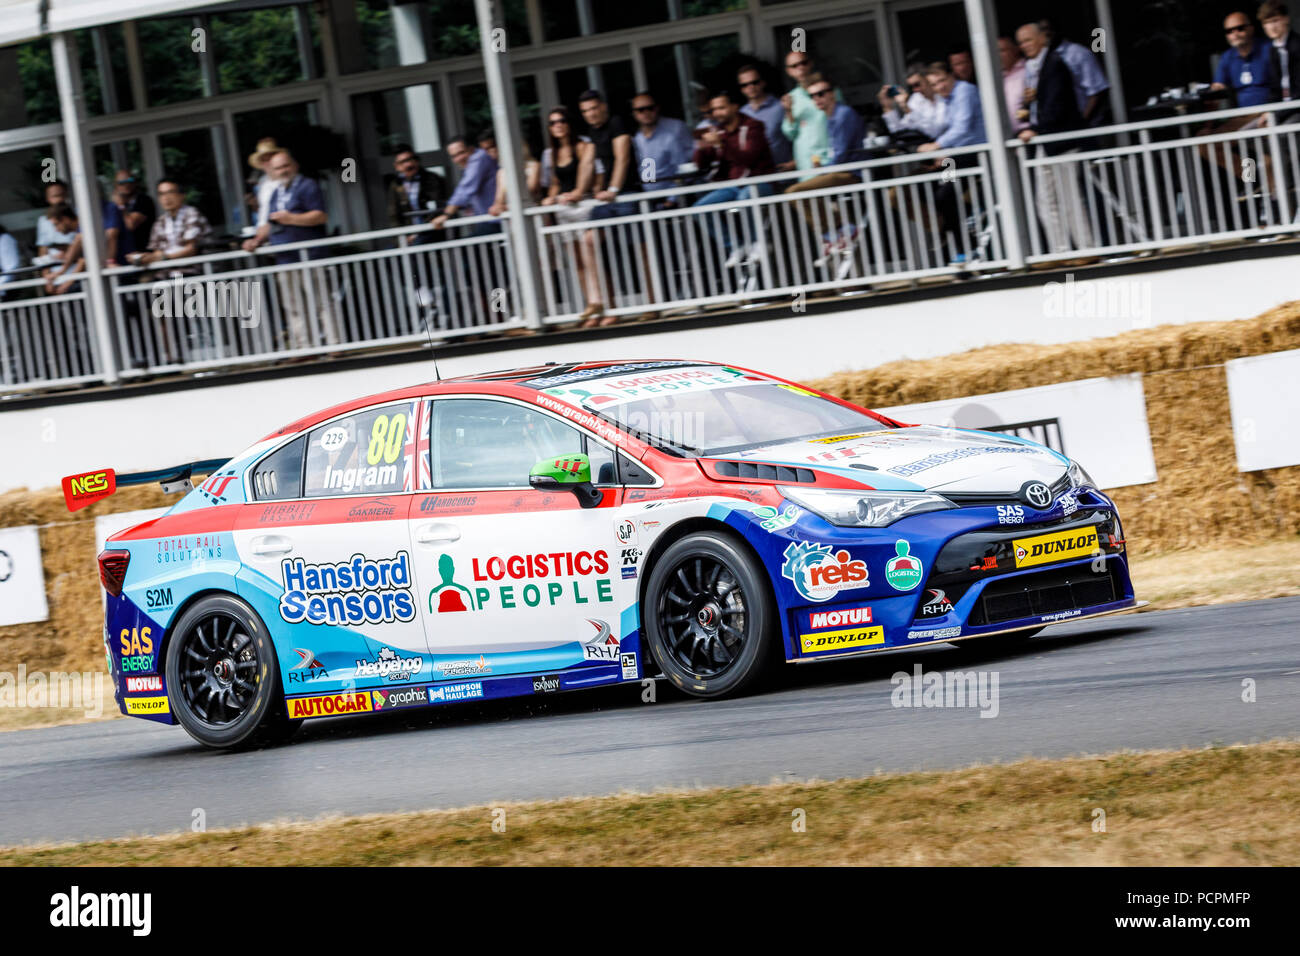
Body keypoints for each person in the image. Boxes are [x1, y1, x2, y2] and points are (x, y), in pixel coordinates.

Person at [241, 150, 338, 351]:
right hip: (285, 258)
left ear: (294, 165)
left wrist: (290, 219)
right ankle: (305, 347)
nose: (283, 171)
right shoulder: (277, 192)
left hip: (310, 256)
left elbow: (320, 216)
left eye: (286, 166)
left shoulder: (308, 186)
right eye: (278, 168)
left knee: (322, 303)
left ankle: (334, 345)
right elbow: (270, 223)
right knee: (293, 307)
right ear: (272, 172)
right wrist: (256, 240)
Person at [1015, 21, 1094, 255]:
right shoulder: (1035, 66)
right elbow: (1044, 104)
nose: (1024, 46)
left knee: (1070, 198)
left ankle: (1085, 249)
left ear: (1042, 39)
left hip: (1061, 141)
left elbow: (1057, 106)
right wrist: (1029, 109)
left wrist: (1037, 128)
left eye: (1028, 40)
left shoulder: (1055, 64)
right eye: (1021, 42)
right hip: (1047, 141)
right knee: (1045, 200)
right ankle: (1060, 250)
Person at [783, 75, 867, 277]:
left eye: (821, 93)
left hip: (849, 173)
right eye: (813, 96)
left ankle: (838, 231)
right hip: (839, 171)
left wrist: (823, 170)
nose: (817, 99)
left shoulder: (843, 114)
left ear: (833, 94)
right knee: (803, 195)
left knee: (794, 192)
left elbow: (842, 154)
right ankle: (838, 232)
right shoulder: (831, 117)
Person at [577, 89, 642, 327]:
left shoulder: (617, 122)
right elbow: (593, 164)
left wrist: (613, 189)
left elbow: (622, 158)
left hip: (627, 193)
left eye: (594, 108)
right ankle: (602, 303)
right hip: (608, 197)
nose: (591, 114)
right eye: (585, 111)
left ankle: (652, 303)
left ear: (603, 106)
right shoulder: (593, 132)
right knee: (589, 239)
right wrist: (583, 190)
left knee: (640, 247)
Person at [692, 89, 775, 269]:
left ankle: (758, 242)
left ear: (735, 107)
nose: (716, 113)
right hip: (733, 185)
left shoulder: (753, 126)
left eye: (721, 108)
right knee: (699, 209)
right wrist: (701, 148)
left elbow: (749, 158)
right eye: (714, 110)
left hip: (759, 181)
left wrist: (722, 144)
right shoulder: (718, 130)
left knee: (745, 197)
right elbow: (700, 165)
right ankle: (736, 246)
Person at [917, 62, 987, 262]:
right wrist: (942, 151)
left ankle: (966, 243)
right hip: (958, 156)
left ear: (952, 76)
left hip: (976, 154)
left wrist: (937, 146)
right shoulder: (946, 99)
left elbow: (963, 128)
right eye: (934, 84)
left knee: (945, 194)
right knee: (928, 188)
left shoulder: (964, 91)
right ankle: (959, 230)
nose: (940, 87)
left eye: (942, 81)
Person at [538, 106, 600, 317]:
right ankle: (590, 304)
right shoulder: (550, 154)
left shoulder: (583, 146)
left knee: (589, 253)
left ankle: (599, 299)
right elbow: (555, 183)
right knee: (576, 260)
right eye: (553, 123)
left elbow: (587, 173)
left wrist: (578, 191)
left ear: (569, 123)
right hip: (564, 208)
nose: (558, 126)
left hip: (582, 204)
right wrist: (551, 197)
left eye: (561, 121)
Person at [1039, 21, 1110, 127]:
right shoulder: (1040, 59)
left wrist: (1081, 123)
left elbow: (1097, 92)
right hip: (1057, 129)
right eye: (1041, 30)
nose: (1046, 33)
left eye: (1047, 29)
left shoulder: (1078, 53)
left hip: (1084, 127)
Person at [431, 136, 500, 234]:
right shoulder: (472, 163)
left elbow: (465, 189)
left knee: (464, 248)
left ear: (471, 149)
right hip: (489, 220)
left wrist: (446, 214)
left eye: (461, 153)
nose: (459, 159)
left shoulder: (479, 158)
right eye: (454, 156)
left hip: (496, 220)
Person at [781, 50, 833, 175]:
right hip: (806, 164)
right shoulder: (791, 97)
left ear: (810, 64)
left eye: (803, 63)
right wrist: (788, 111)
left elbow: (840, 122)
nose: (800, 68)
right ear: (789, 71)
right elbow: (790, 134)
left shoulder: (829, 91)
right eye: (794, 66)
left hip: (830, 160)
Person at [630, 92, 695, 194]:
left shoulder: (673, 133)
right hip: (648, 195)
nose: (646, 112)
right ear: (634, 114)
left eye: (650, 108)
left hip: (674, 194)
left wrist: (672, 198)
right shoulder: (636, 139)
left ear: (657, 108)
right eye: (640, 110)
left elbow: (682, 167)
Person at [386, 143, 448, 241]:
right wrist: (401, 237)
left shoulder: (432, 179)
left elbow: (436, 207)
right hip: (408, 235)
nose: (409, 164)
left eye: (411, 159)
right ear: (397, 166)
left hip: (432, 231)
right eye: (403, 162)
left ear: (417, 161)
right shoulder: (396, 185)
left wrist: (418, 233)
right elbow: (394, 214)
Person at [1212, 11, 1273, 108]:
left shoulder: (1269, 49)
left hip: (1273, 109)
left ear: (1251, 29)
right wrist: (1216, 89)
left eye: (1240, 29)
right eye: (1229, 31)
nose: (1235, 34)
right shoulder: (1227, 57)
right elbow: (1218, 86)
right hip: (1243, 113)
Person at [738, 64, 793, 169]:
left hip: (783, 173)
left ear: (763, 83)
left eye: (755, 82)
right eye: (745, 85)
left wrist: (793, 163)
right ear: (742, 89)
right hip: (756, 175)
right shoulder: (740, 114)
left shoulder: (780, 107)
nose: (750, 87)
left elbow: (794, 136)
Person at [878, 64, 947, 140]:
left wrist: (908, 109)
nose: (915, 90)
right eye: (912, 86)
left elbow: (935, 132)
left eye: (917, 84)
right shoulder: (916, 98)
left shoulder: (944, 95)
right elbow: (898, 130)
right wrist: (888, 107)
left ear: (927, 79)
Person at [109, 169, 156, 261]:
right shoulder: (113, 206)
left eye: (129, 181)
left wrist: (121, 206)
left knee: (178, 274)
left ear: (135, 183)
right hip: (126, 257)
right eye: (122, 182)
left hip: (145, 256)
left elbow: (130, 225)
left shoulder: (143, 200)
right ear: (116, 186)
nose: (126, 185)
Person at [1260, 0, 1300, 103]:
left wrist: (1278, 114)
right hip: (1282, 107)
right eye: (1267, 23)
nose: (1272, 27)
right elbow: (1275, 88)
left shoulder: (1297, 45)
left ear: (1286, 19)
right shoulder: (1272, 49)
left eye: (1275, 20)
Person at [41, 204, 84, 294]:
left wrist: (67, 282)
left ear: (65, 219)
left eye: (56, 224)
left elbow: (84, 260)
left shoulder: (83, 231)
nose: (56, 230)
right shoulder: (80, 232)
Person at [34, 181, 76, 268]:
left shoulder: (77, 214)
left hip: (76, 270)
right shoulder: (43, 220)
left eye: (61, 195)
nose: (59, 199)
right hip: (56, 271)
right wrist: (46, 273)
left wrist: (69, 250)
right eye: (55, 196)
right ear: (48, 198)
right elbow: (43, 247)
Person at [245, 137, 281, 233]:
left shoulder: (287, 180)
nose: (267, 163)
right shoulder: (263, 181)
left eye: (270, 158)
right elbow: (263, 211)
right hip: (266, 234)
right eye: (263, 160)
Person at [1000, 37, 1030, 135]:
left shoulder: (1028, 70)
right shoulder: (997, 76)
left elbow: (1030, 103)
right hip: (1004, 136)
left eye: (1002, 50)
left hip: (1026, 134)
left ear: (1015, 50)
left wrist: (1024, 124)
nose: (998, 55)